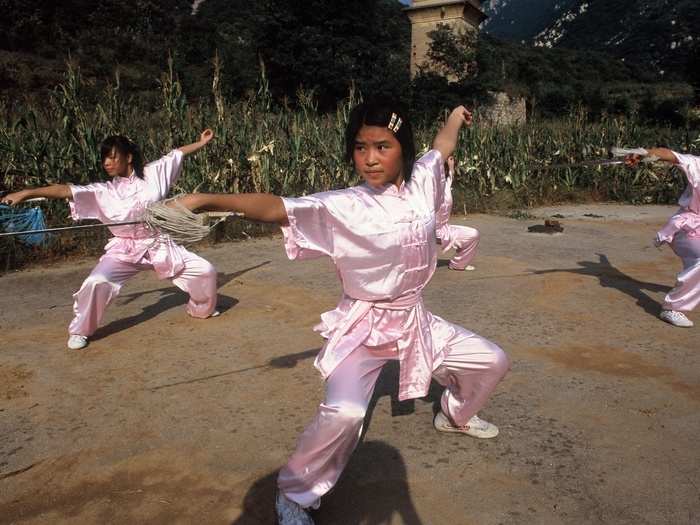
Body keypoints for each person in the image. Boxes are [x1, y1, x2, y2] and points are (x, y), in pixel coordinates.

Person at [175, 98, 509, 525]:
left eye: (382, 146)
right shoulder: (344, 205)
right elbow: (278, 206)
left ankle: (455, 414)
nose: (369, 159)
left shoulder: (424, 177)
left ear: (402, 148)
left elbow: (442, 145)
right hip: (363, 329)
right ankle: (294, 495)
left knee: (492, 360)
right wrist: (205, 199)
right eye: (360, 147)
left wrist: (456, 116)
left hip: (415, 322)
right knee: (346, 414)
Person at [1, 130, 220, 349]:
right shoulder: (102, 191)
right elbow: (64, 190)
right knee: (96, 282)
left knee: (205, 271)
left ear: (128, 158)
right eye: (105, 158)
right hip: (123, 250)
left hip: (158, 244)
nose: (107, 162)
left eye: (113, 157)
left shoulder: (154, 174)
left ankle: (200, 308)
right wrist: (26, 193)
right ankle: (80, 330)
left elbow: (177, 153)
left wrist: (201, 143)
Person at [626, 147, 700, 327]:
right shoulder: (696, 164)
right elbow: (670, 155)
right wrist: (645, 153)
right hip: (689, 227)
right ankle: (673, 308)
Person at [437, 155, 480, 271]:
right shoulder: (426, 189)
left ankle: (458, 264)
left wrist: (451, 167)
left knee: (473, 234)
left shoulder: (445, 185)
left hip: (444, 229)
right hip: (427, 231)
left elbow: (450, 177)